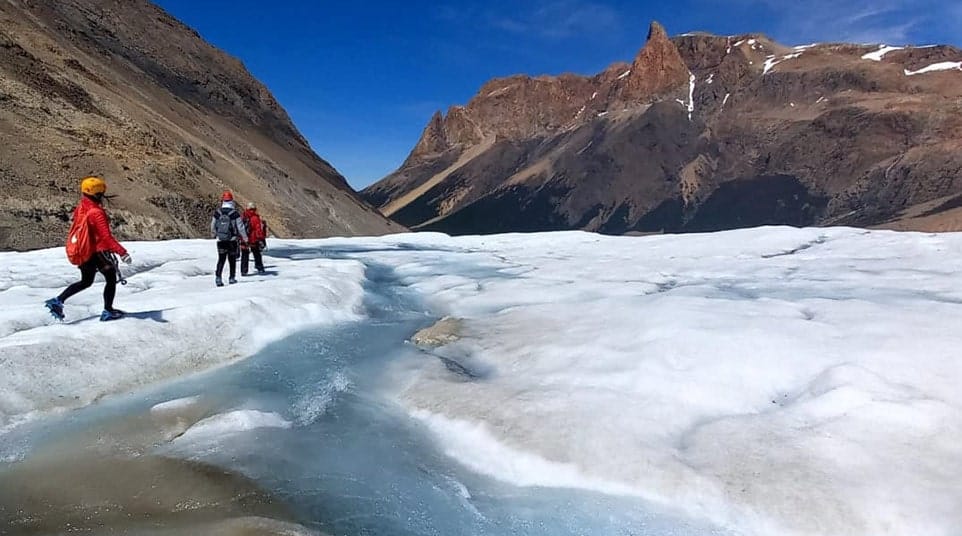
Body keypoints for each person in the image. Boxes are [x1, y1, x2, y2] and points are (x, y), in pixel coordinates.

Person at [45, 177, 132, 322]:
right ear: (98, 194)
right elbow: (106, 237)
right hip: (97, 251)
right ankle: (108, 310)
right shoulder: (96, 212)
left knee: (86, 281)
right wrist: (122, 253)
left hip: (83, 250)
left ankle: (58, 300)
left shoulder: (81, 207)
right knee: (110, 277)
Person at [211, 190, 248, 286]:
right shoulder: (234, 213)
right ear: (232, 201)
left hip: (221, 240)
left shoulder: (218, 212)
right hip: (232, 241)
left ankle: (218, 278)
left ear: (223, 201)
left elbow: (213, 225)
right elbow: (240, 227)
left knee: (221, 259)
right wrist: (245, 238)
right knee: (232, 260)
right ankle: (232, 278)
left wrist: (214, 234)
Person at [240, 201, 268, 276]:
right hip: (253, 239)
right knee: (257, 254)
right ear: (255, 208)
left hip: (244, 239)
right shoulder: (255, 217)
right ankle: (259, 267)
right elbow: (258, 230)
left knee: (244, 255)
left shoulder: (243, 216)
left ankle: (244, 271)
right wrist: (261, 238)